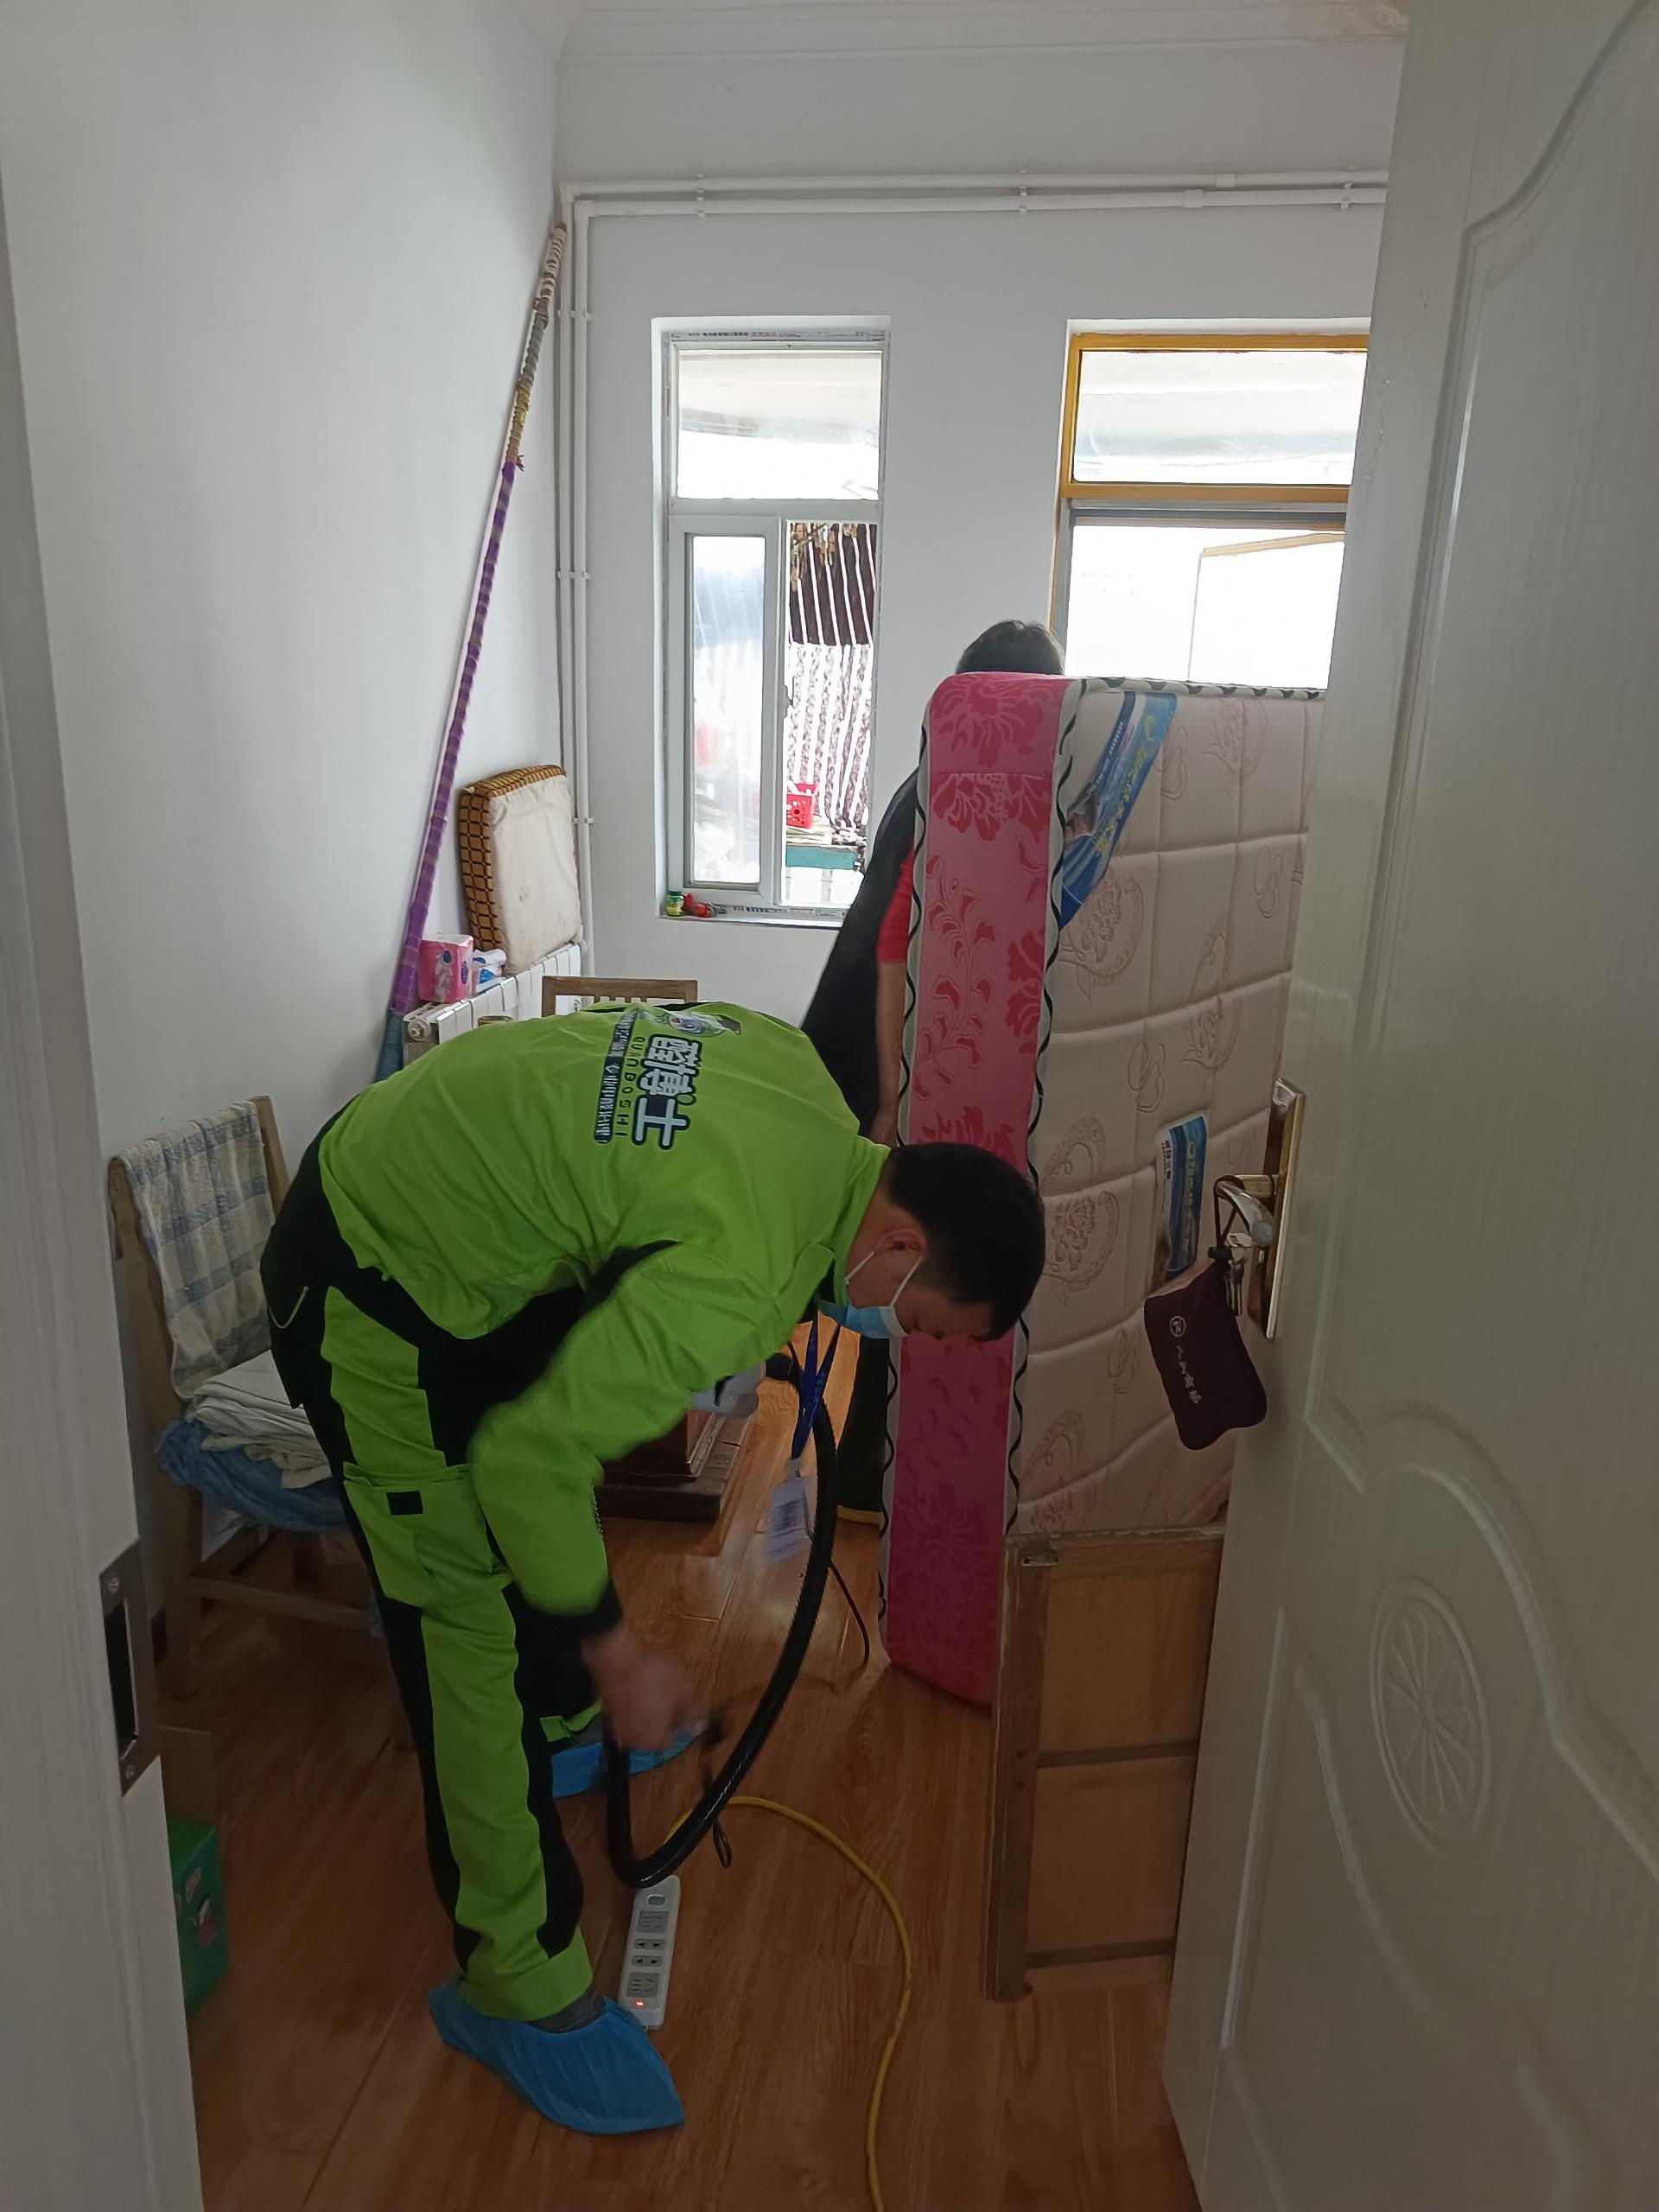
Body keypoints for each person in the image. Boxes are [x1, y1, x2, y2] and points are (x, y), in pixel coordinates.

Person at [262, 1001, 1046, 2137]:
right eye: (918, 1323)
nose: (899, 1337)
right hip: (366, 1279)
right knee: (462, 1620)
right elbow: (527, 1461)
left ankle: (559, 1722)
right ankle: (516, 1979)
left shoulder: (797, 1076)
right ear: (898, 1247)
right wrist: (623, 1655)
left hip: (433, 1192)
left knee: (548, 1481)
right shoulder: (734, 1280)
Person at [800, 618, 1065, 1510]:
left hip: (865, 1048)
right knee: (888, 1267)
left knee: (870, 1263)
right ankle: (857, 1478)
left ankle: (856, 1470)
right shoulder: (956, 786)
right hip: (874, 1056)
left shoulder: (940, 776)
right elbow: (894, 947)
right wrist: (889, 1098)